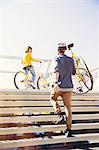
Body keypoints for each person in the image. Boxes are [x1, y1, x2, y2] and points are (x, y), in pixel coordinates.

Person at [50, 43, 76, 137]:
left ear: (58, 50)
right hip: (69, 87)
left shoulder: (57, 59)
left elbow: (56, 71)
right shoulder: (70, 60)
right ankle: (69, 130)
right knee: (68, 107)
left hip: (60, 86)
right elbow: (73, 72)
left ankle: (59, 114)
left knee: (52, 98)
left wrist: (55, 83)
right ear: (65, 50)